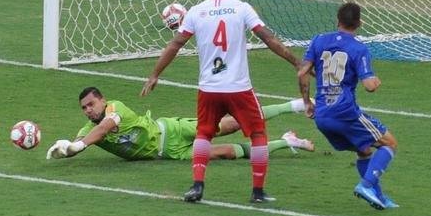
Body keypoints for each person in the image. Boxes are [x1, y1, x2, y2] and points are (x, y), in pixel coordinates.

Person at [141, 0, 301, 204]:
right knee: (258, 134)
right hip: (238, 88)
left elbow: (175, 44)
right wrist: (296, 62)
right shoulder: (241, 8)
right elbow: (268, 38)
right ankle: (257, 191)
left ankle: (197, 186)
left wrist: (155, 74)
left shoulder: (195, 12)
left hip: (209, 89)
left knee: (203, 135)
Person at [298, 2, 399, 210]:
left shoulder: (318, 40)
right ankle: (367, 185)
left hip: (323, 117)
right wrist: (376, 81)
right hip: (345, 113)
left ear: (338, 21)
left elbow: (302, 72)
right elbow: (369, 86)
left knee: (364, 150)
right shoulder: (359, 48)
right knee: (389, 143)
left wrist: (307, 102)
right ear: (359, 23)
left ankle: (379, 197)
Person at [46, 86, 314, 162]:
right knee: (227, 152)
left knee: (230, 124)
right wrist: (63, 149)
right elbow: (80, 141)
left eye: (91, 104)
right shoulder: (87, 132)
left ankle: (294, 105)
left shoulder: (117, 109)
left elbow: (105, 128)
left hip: (171, 129)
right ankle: (288, 142)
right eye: (84, 108)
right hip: (170, 152)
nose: (88, 110)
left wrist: (78, 145)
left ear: (102, 101)